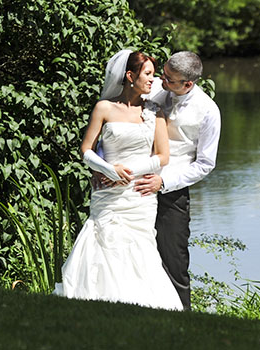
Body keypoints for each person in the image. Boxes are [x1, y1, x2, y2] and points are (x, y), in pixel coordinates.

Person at [55, 49, 182, 311]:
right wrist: (108, 169)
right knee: (102, 243)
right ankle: (95, 305)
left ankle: (143, 306)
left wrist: (129, 172)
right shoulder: (104, 108)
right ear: (129, 75)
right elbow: (86, 150)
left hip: (138, 195)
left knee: (140, 249)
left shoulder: (155, 112)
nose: (153, 79)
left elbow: (163, 156)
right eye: (148, 74)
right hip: (107, 193)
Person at [131, 51, 221, 311]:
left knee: (174, 260)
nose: (162, 80)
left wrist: (164, 182)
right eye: (163, 74)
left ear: (188, 84)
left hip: (173, 192)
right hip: (136, 184)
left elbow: (205, 164)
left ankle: (183, 320)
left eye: (169, 79)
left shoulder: (208, 111)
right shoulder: (154, 92)